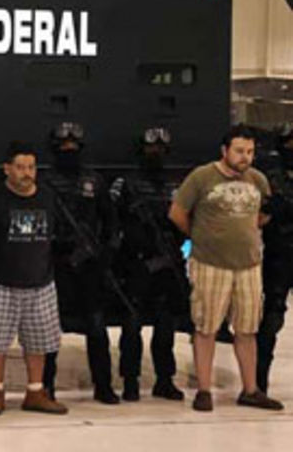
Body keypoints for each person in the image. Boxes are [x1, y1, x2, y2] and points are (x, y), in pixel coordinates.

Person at [168, 124, 283, 412]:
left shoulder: (258, 180)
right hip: (210, 264)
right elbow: (178, 213)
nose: (245, 157)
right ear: (225, 150)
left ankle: (251, 389)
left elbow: (263, 215)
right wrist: (200, 237)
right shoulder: (202, 177)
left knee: (247, 329)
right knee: (206, 327)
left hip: (249, 266)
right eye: (240, 151)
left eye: (250, 152)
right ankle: (204, 390)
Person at [0, 141, 68, 416]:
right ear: (7, 169)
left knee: (39, 342)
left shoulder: (48, 197)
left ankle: (35, 392)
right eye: (21, 167)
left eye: (31, 167)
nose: (27, 173)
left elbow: (57, 233)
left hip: (40, 282)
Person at [42, 122, 121, 404]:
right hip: (56, 264)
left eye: (74, 147)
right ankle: (45, 387)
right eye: (64, 147)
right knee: (49, 332)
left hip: (89, 266)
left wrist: (105, 255)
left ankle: (103, 385)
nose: (69, 151)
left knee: (97, 327)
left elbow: (111, 223)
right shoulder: (45, 182)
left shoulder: (94, 181)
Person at [110, 127, 187, 402]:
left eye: (161, 149)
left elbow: (184, 222)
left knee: (166, 325)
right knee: (132, 325)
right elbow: (112, 220)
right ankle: (130, 381)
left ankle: (164, 380)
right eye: (151, 148)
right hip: (135, 264)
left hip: (167, 263)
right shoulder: (125, 184)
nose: (156, 154)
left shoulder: (175, 186)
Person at [256, 123, 293, 393]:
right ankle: (258, 382)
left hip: (280, 250)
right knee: (272, 317)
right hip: (279, 253)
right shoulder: (268, 172)